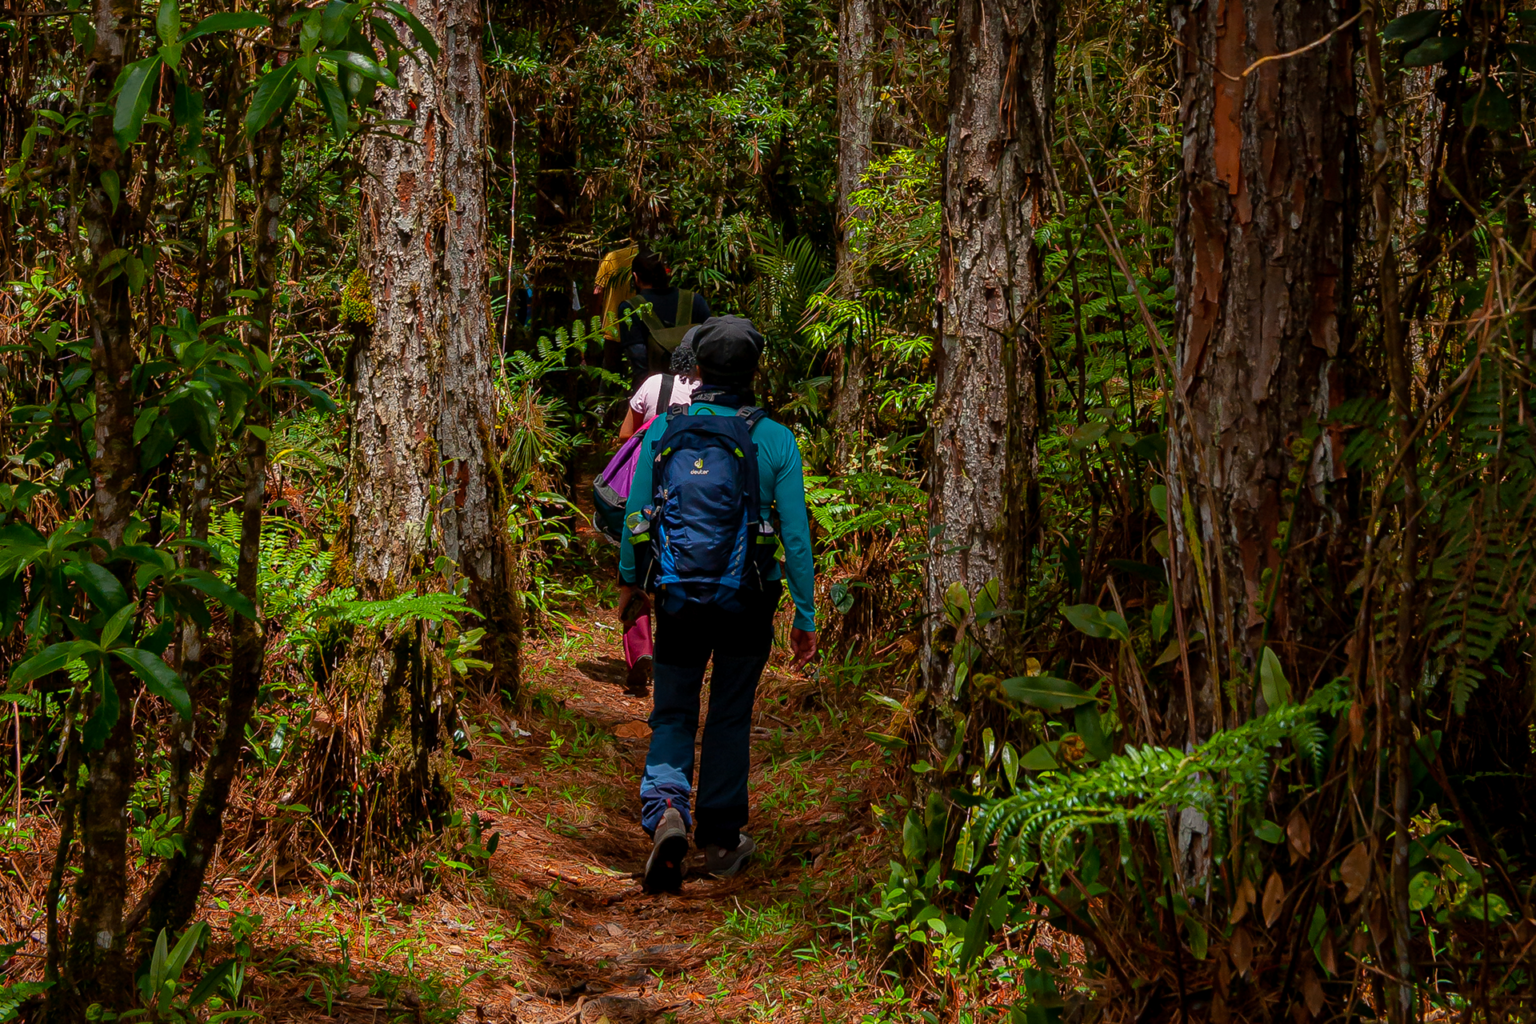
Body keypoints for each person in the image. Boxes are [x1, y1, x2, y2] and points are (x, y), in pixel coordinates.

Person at [618, 315, 818, 894]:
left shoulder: (663, 430)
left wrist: (633, 585)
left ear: (697, 370)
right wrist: (804, 617)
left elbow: (636, 515)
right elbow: (797, 539)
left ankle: (666, 812)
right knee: (730, 715)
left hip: (679, 596)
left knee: (675, 711)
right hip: (748, 601)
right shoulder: (775, 438)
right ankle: (722, 839)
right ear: (755, 372)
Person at [614, 333, 702, 695]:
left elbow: (625, 435)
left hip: (647, 496)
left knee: (635, 575)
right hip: (693, 506)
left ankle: (640, 651)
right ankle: (676, 659)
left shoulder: (655, 385)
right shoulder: (716, 396)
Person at [617, 248, 711, 386]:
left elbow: (638, 358)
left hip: (656, 389)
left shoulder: (630, 308)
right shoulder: (693, 300)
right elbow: (710, 344)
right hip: (696, 387)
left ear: (635, 277)